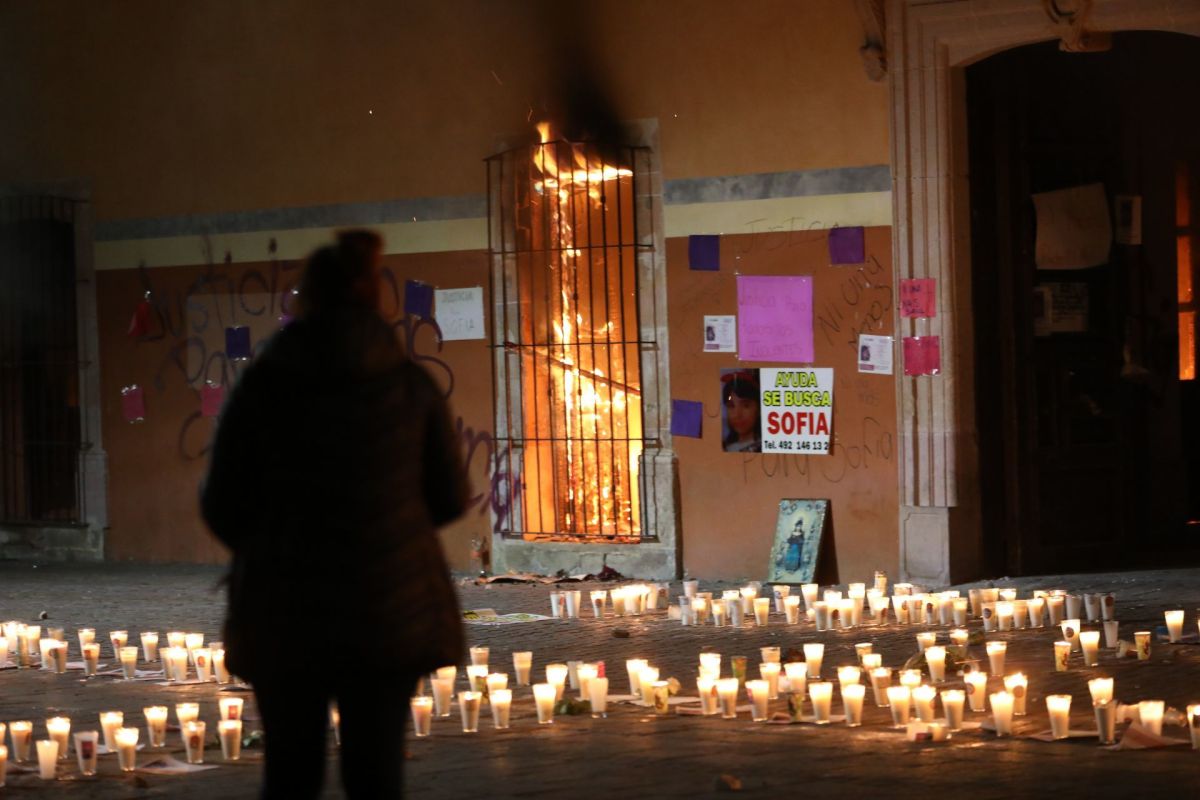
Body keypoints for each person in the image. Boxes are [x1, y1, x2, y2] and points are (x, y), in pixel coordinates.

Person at [200, 230, 469, 799]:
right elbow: (448, 498)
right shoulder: (409, 385)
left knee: (291, 773)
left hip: (283, 608)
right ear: (374, 297)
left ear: (307, 298)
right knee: (376, 775)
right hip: (387, 612)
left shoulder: (263, 387)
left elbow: (221, 502)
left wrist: (267, 545)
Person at [721, 369, 761, 452]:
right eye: (731, 406)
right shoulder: (725, 447)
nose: (737, 414)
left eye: (746, 406)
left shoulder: (761, 447)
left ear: (758, 410)